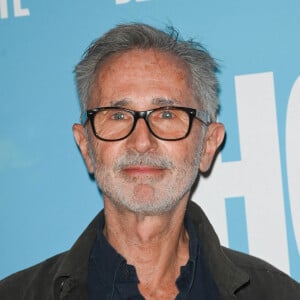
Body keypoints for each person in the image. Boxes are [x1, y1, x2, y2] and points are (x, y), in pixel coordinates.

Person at [0, 23, 299, 300]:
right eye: (117, 115)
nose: (141, 142)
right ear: (86, 147)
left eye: (167, 114)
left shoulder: (276, 293)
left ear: (208, 145)